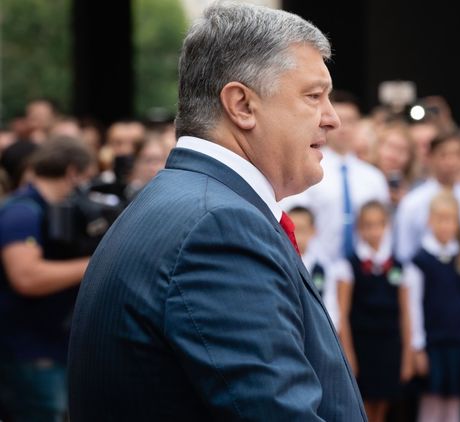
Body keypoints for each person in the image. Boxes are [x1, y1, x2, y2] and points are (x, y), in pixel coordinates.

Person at [67, 4, 366, 420]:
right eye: (313, 96)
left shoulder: (192, 205)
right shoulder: (218, 228)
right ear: (241, 105)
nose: (332, 119)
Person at [0, 137, 93, 421]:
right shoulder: (22, 211)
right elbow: (26, 277)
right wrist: (95, 264)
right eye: (86, 177)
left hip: (47, 349)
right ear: (72, 172)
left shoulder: (47, 210)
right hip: (28, 353)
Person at [281, 90, 389, 264]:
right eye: (339, 119)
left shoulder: (374, 177)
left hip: (364, 269)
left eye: (350, 121)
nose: (343, 128)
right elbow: (295, 220)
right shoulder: (307, 170)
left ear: (359, 125)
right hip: (317, 267)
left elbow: (384, 227)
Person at [405, 191, 460, 422]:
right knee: (431, 405)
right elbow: (413, 308)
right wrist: (418, 347)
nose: (444, 225)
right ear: (429, 221)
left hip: (459, 342)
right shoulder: (420, 261)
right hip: (432, 344)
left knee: (454, 405)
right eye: (439, 219)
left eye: (450, 219)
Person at [336, 201, 412, 422]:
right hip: (362, 345)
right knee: (363, 405)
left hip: (389, 344)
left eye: (379, 224)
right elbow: (342, 314)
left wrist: (407, 355)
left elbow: (406, 313)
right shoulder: (349, 266)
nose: (374, 231)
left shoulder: (398, 266)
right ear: (359, 228)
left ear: (387, 226)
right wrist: (348, 353)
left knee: (384, 403)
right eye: (368, 225)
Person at [395, 132, 460, 265]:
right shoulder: (412, 203)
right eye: (444, 155)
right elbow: (404, 252)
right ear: (431, 158)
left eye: (457, 155)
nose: (451, 162)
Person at [287, 205, 340, 329]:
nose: (296, 235)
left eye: (301, 229)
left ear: (313, 231)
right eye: (292, 229)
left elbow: (331, 308)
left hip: (317, 330)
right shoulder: (282, 263)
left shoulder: (323, 269)